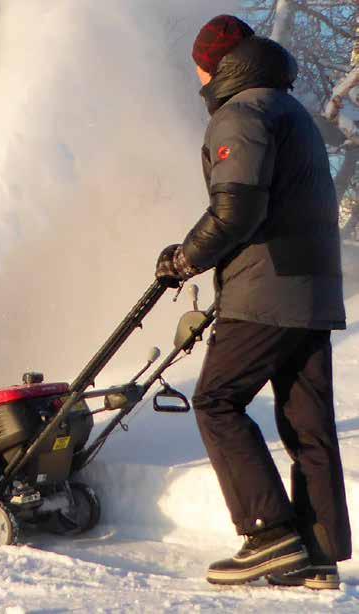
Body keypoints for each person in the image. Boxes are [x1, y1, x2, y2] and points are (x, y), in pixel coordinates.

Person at [156, 14, 351, 588]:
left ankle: (268, 535)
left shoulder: (241, 114)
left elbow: (235, 209)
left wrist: (185, 259)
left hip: (267, 289)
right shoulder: (293, 114)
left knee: (216, 400)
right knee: (307, 425)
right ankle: (319, 554)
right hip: (314, 289)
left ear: (213, 64)